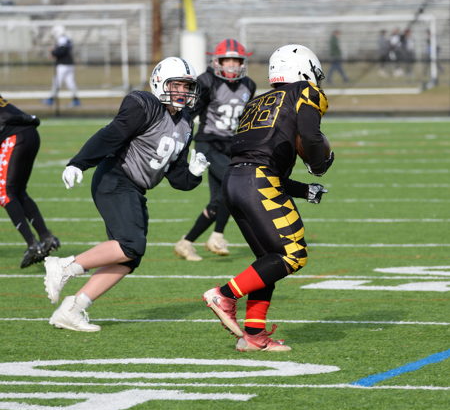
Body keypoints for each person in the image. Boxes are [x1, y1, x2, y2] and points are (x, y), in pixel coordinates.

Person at [44, 57, 209, 332]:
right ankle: (65, 266)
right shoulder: (145, 105)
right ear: (159, 83)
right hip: (115, 178)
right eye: (176, 84)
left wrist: (194, 173)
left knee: (130, 257)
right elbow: (111, 134)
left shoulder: (185, 123)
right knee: (131, 244)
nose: (182, 91)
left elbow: (177, 178)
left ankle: (72, 310)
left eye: (187, 86)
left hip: (135, 189)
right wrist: (79, 163)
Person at [203, 44, 334, 352]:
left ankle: (253, 335)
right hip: (257, 181)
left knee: (268, 262)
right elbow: (310, 136)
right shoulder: (304, 91)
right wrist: (319, 163)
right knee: (293, 254)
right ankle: (224, 295)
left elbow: (261, 162)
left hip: (235, 181)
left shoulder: (257, 102)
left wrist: (304, 190)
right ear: (303, 70)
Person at [174, 39, 256, 261]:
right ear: (217, 61)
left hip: (230, 145)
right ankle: (217, 236)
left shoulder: (248, 85)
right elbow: (189, 114)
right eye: (227, 60)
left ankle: (186, 242)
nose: (231, 65)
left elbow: (245, 119)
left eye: (236, 60)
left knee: (221, 199)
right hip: (209, 143)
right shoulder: (207, 81)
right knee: (235, 186)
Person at [0, 94, 60, 268]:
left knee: (4, 193)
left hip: (15, 136)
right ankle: (46, 238)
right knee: (17, 191)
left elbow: (5, 118)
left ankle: (33, 245)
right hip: (28, 133)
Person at [44, 25, 80, 107]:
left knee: (57, 81)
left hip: (63, 65)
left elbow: (61, 50)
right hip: (69, 64)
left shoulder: (62, 39)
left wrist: (53, 52)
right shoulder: (67, 39)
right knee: (70, 83)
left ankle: (51, 99)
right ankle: (76, 100)